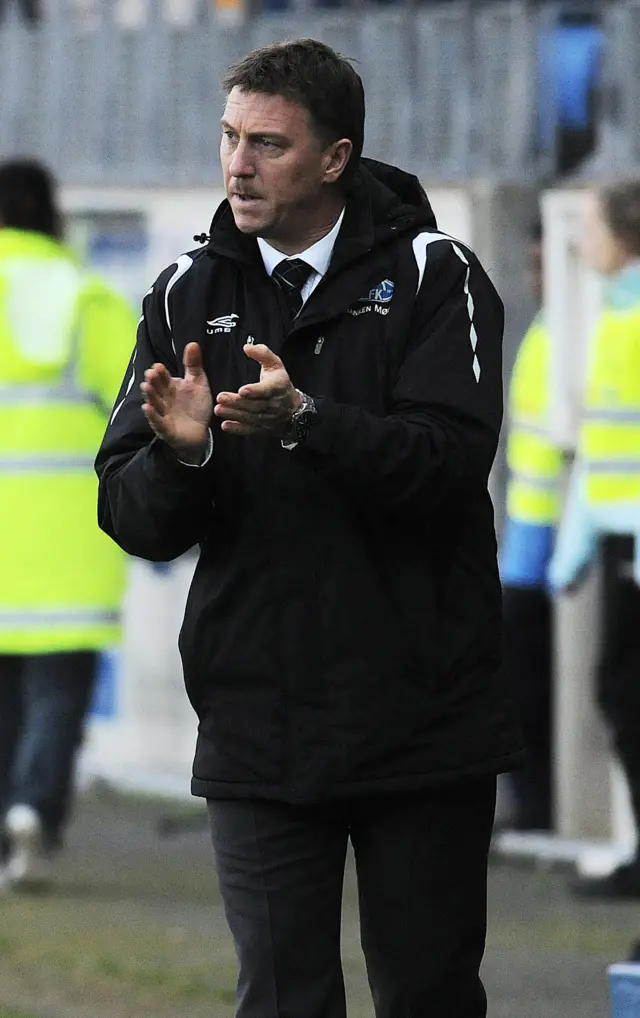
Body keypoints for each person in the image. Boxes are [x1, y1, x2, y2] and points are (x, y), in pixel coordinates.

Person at [96, 39, 523, 1017]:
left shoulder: (435, 276)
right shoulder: (184, 292)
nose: (238, 165)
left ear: (335, 158)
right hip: (257, 724)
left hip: (422, 721)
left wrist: (308, 425)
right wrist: (185, 456)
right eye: (228, 139)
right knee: (281, 999)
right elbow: (129, 512)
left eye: (268, 145)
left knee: (426, 995)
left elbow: (446, 462)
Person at [0, 160, 136, 889]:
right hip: (68, 542)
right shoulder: (82, 297)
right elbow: (140, 403)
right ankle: (32, 810)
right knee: (55, 696)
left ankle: (5, 824)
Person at [549, 181, 640, 899]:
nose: (581, 242)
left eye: (588, 226)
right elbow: (603, 444)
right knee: (619, 693)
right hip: (619, 543)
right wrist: (576, 546)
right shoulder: (616, 313)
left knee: (625, 693)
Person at [499, 221, 564, 833]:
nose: (535, 277)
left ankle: (542, 807)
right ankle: (533, 805)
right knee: (519, 681)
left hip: (563, 538)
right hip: (531, 537)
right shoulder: (547, 332)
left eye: (546, 263)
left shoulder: (574, 332)